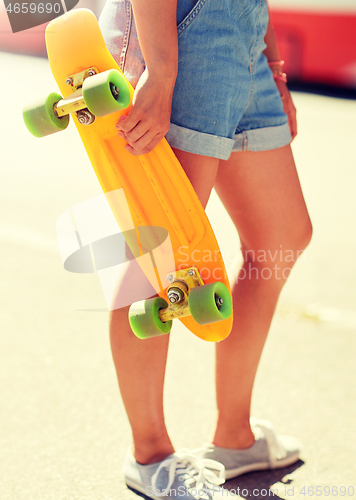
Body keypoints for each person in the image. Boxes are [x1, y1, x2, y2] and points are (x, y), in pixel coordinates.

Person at [99, 0, 313, 498]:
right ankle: (151, 455)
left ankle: (235, 437)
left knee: (281, 235)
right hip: (182, 32)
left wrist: (275, 65)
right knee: (158, 258)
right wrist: (161, 69)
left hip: (247, 34)